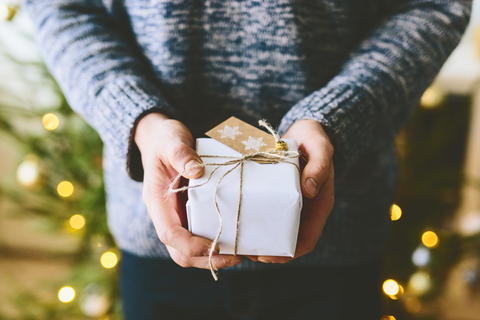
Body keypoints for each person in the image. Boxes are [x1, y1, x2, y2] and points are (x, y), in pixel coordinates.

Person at [24, 0, 471, 319]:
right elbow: (60, 7)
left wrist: (339, 114)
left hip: (338, 235)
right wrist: (138, 118)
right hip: (164, 229)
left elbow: (433, 6)